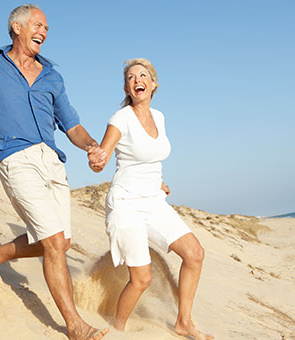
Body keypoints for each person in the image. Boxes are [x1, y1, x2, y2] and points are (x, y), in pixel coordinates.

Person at [0, 4, 108, 340]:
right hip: (14, 157)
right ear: (17, 26)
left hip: (51, 161)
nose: (44, 31)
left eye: (47, 28)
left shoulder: (52, 75)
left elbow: (72, 125)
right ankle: (74, 325)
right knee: (54, 242)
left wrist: (92, 146)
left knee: (61, 241)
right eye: (38, 25)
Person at [88, 58, 214, 340]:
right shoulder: (120, 119)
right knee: (141, 279)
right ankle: (118, 331)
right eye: (131, 77)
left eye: (142, 75)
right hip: (126, 204)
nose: (136, 80)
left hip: (153, 201)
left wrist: (158, 182)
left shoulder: (160, 117)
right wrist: (97, 159)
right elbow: (104, 155)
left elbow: (150, 157)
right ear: (126, 87)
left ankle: (183, 322)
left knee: (194, 254)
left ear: (153, 84)